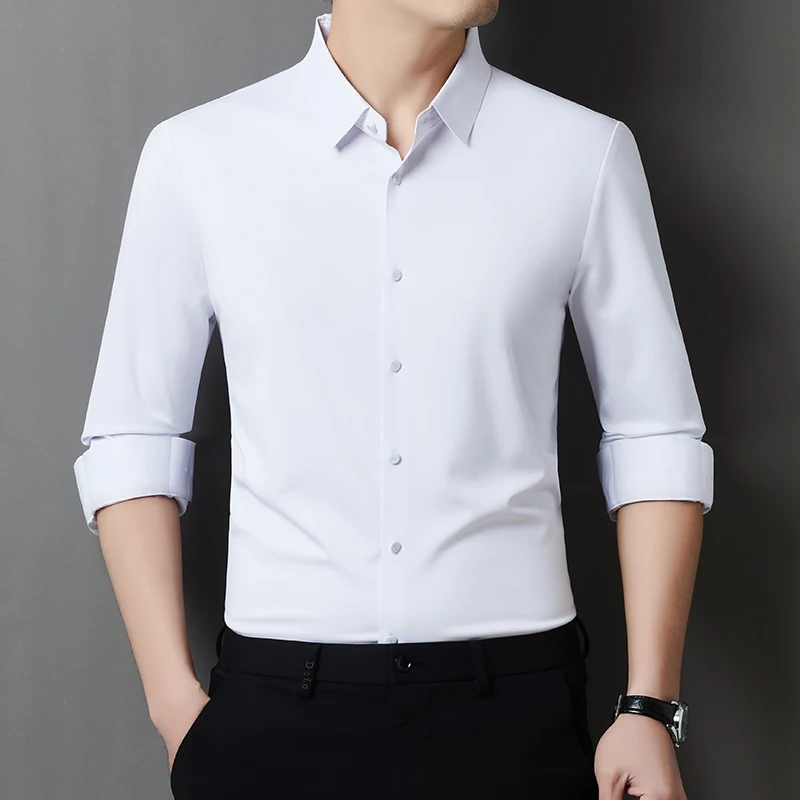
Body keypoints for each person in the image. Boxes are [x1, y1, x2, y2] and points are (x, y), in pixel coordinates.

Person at [72, 2, 713, 798]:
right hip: (271, 716)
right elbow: (133, 439)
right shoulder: (198, 155)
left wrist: (650, 706)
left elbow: (656, 436)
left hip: (515, 716)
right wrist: (177, 710)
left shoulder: (583, 151)